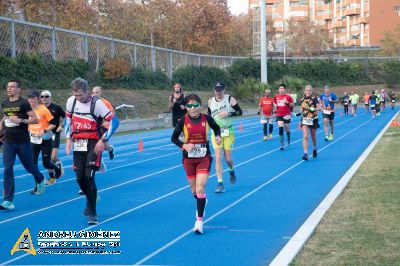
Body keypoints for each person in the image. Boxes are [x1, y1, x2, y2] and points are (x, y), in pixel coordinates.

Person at [65, 78, 119, 225]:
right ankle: (90, 200)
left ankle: (93, 212)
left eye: (81, 95)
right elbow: (67, 120)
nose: (78, 98)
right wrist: (68, 138)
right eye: (76, 95)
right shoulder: (71, 102)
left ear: (87, 92)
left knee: (89, 176)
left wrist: (103, 140)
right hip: (79, 143)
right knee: (79, 178)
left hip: (93, 143)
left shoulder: (97, 104)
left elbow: (115, 122)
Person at [171, 94, 221, 234]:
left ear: (200, 106)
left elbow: (216, 128)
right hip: (188, 159)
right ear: (186, 107)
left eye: (195, 105)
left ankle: (199, 221)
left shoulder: (207, 118)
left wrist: (217, 137)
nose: (192, 109)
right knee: (194, 191)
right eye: (189, 106)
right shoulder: (182, 121)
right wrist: (184, 146)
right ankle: (202, 200)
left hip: (204, 157)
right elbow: (173, 138)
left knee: (200, 187)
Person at [0, 80, 46, 210]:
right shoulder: (4, 103)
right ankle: (8, 201)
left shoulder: (23, 103)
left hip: (22, 141)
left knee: (29, 166)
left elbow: (35, 119)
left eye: (13, 87)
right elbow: (5, 117)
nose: (10, 89)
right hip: (8, 141)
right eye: (8, 87)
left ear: (18, 89)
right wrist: (1, 126)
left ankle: (40, 177)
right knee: (8, 168)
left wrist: (20, 120)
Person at [208, 81, 242, 193]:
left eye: (220, 90)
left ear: (224, 90)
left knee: (228, 159)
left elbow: (240, 112)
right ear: (214, 90)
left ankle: (231, 170)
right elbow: (208, 117)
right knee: (217, 157)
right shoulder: (210, 101)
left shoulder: (229, 99)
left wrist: (229, 114)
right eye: (216, 90)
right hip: (216, 133)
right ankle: (220, 183)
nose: (218, 92)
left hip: (228, 131)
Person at [27, 90, 62, 191]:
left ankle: (56, 168)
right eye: (29, 98)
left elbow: (53, 124)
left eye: (33, 98)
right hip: (33, 140)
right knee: (32, 164)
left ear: (37, 99)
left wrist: (44, 131)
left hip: (45, 140)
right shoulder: (27, 110)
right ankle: (39, 184)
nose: (31, 100)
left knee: (46, 164)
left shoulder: (44, 110)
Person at [40, 90, 65, 185]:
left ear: (50, 97)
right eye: (42, 96)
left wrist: (61, 126)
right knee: (46, 159)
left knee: (53, 157)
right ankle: (52, 177)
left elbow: (66, 117)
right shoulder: (39, 109)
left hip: (54, 134)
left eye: (46, 96)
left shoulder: (56, 107)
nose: (44, 98)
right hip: (43, 135)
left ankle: (58, 163)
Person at [92, 86, 115, 161]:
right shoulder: (91, 101)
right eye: (93, 92)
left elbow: (112, 115)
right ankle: (110, 149)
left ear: (100, 93)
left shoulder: (106, 103)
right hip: (94, 126)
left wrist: (105, 121)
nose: (95, 94)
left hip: (104, 127)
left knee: (99, 144)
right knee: (101, 146)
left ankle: (98, 161)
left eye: (97, 92)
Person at [299, 85, 320, 160]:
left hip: (313, 119)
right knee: (305, 136)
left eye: (309, 90)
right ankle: (305, 154)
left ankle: (314, 148)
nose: (308, 92)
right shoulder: (302, 99)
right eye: (307, 90)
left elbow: (319, 108)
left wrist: (314, 108)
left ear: (311, 91)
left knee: (313, 136)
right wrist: (300, 112)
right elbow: (301, 109)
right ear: (305, 91)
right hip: (305, 119)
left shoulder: (314, 99)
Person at [273, 84, 294, 150]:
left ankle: (288, 139)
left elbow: (292, 105)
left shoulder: (288, 97)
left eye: (282, 88)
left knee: (287, 128)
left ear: (284, 89)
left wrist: (287, 102)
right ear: (278, 90)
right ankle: (282, 143)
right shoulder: (276, 96)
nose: (281, 89)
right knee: (281, 128)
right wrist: (274, 106)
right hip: (279, 114)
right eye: (280, 88)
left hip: (286, 114)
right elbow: (274, 103)